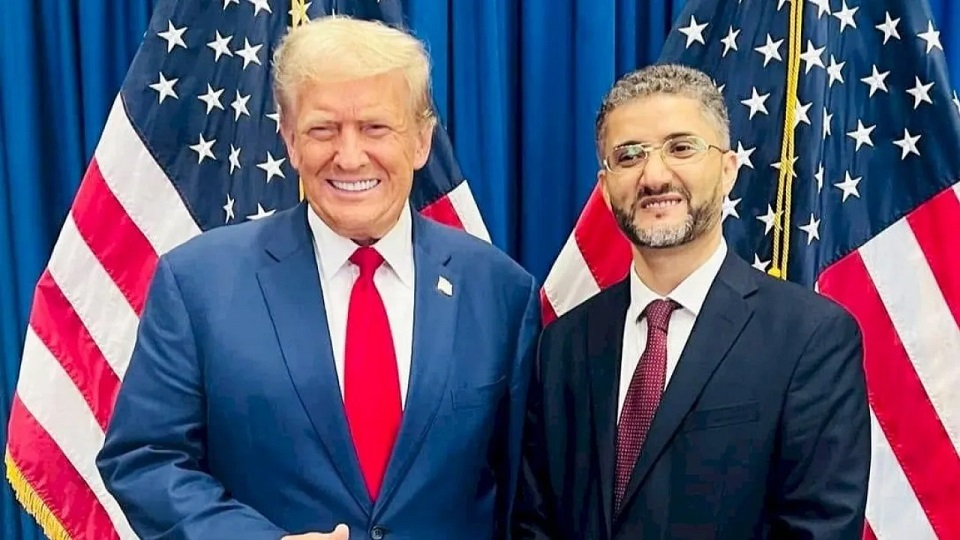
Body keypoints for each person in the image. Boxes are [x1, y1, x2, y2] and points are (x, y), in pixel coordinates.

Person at [96, 15, 540, 540]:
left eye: (375, 128)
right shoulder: (198, 285)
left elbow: (524, 497)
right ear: (288, 139)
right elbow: (145, 457)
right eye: (322, 130)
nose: (349, 157)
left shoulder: (500, 292)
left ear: (422, 140)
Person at [511, 64, 870, 539]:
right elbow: (534, 523)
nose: (654, 175)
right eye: (629, 156)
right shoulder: (562, 343)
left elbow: (819, 528)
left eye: (680, 148)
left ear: (728, 170)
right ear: (605, 186)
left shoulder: (811, 338)